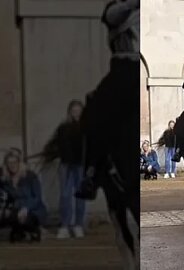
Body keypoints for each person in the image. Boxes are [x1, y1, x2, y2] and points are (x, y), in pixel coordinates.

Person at [75, 0, 140, 200]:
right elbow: (112, 15)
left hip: (142, 65)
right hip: (124, 68)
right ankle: (91, 171)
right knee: (96, 108)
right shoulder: (116, 8)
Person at [43, 100, 87, 239]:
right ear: (69, 111)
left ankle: (78, 225)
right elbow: (54, 143)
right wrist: (53, 154)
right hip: (66, 165)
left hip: (80, 165)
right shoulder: (63, 127)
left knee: (80, 196)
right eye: (73, 110)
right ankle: (65, 225)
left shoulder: (86, 128)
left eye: (78, 110)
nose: (76, 113)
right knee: (65, 196)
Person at [1, 150, 47, 242]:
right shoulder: (5, 180)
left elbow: (37, 198)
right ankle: (19, 231)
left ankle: (35, 230)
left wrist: (26, 208)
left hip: (33, 209)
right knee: (7, 216)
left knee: (23, 218)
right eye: (9, 163)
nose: (12, 165)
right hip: (16, 209)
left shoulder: (30, 176)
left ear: (19, 162)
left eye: (14, 162)